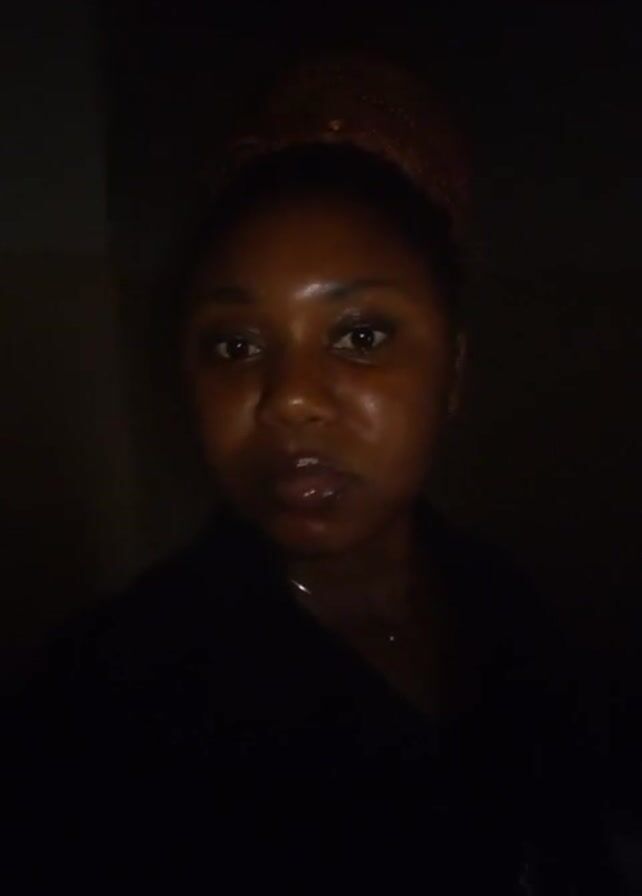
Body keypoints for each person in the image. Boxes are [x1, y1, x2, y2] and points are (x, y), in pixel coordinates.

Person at [11, 56, 618, 893]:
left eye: (361, 336)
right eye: (235, 345)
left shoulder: (512, 612)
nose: (290, 399)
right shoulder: (104, 698)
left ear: (453, 371)